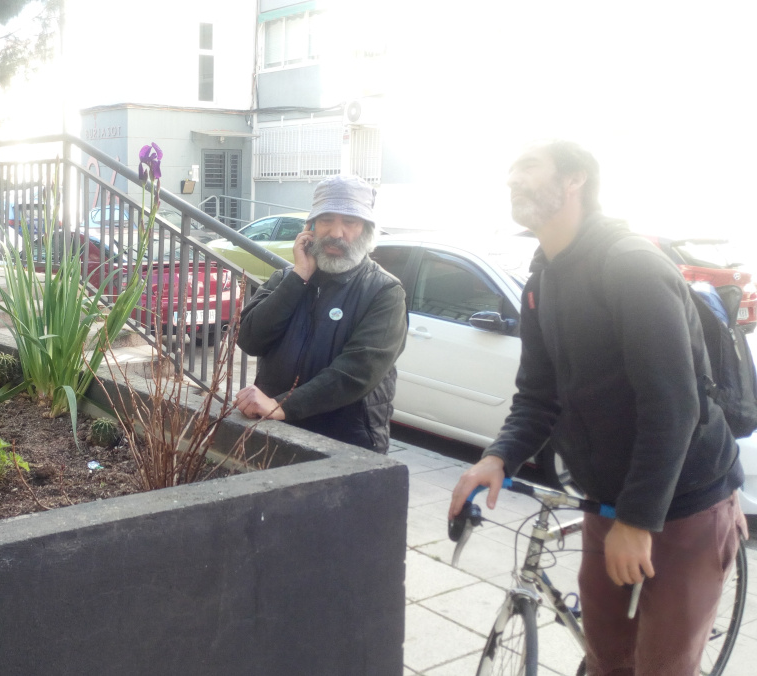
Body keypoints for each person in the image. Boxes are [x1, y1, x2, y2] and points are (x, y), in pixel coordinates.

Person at [449, 141, 747, 675]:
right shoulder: (542, 282)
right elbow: (538, 396)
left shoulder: (631, 266)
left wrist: (637, 520)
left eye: (528, 167)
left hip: (684, 503)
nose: (512, 179)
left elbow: (673, 406)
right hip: (608, 502)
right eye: (510, 170)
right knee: (607, 658)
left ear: (575, 180)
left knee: (662, 666)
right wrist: (498, 457)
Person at [233, 174, 408, 452]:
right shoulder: (286, 279)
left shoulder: (384, 291)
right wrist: (299, 277)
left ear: (366, 229)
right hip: (275, 431)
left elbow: (356, 372)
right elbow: (249, 339)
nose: (336, 233)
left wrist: (281, 405)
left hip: (345, 442)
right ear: (310, 227)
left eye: (349, 222)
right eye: (327, 220)